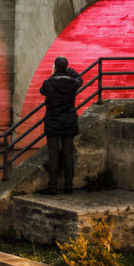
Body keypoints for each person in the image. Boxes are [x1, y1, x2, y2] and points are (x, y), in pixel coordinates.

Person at [38, 57, 83, 195]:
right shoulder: (72, 83)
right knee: (68, 154)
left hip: (53, 123)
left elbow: (42, 91)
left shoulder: (48, 83)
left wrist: (54, 73)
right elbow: (79, 79)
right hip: (68, 122)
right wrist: (69, 70)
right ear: (66, 67)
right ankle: (68, 186)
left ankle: (53, 187)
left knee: (53, 154)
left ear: (55, 68)